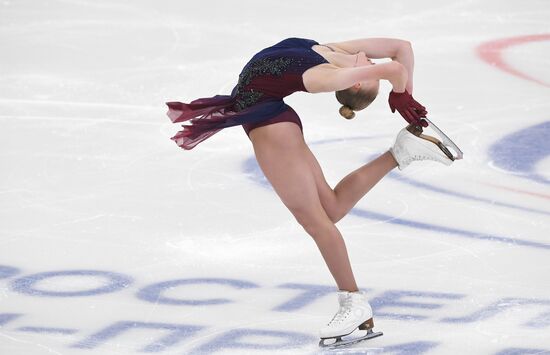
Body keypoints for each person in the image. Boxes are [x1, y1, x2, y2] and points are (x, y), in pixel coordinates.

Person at [166, 37, 453, 344]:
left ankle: (352, 301)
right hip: (273, 119)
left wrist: (401, 94)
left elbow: (395, 67)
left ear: (356, 84)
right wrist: (403, 95)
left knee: (317, 222)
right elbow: (401, 49)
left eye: (369, 71)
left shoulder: (325, 76)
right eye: (370, 67)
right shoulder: (333, 51)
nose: (370, 62)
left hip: (270, 127)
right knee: (330, 208)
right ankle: (401, 152)